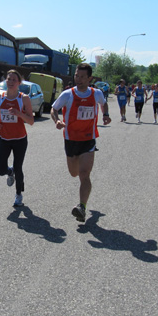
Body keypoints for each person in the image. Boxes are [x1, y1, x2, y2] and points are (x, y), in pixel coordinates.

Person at [51, 63, 111, 222]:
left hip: (88, 140)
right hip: (71, 140)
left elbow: (104, 103)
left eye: (83, 77)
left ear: (90, 78)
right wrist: (57, 121)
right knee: (74, 173)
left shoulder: (96, 93)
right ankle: (86, 208)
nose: (79, 79)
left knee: (84, 174)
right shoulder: (67, 94)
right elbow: (54, 109)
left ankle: (82, 207)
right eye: (77, 76)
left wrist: (106, 115)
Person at [0, 70, 34, 207]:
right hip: (4, 137)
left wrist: (19, 114)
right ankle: (8, 171)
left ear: (19, 82)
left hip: (19, 139)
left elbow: (31, 121)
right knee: (0, 169)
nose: (10, 82)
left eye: (13, 80)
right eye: (8, 79)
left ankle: (18, 195)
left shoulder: (24, 99)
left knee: (18, 167)